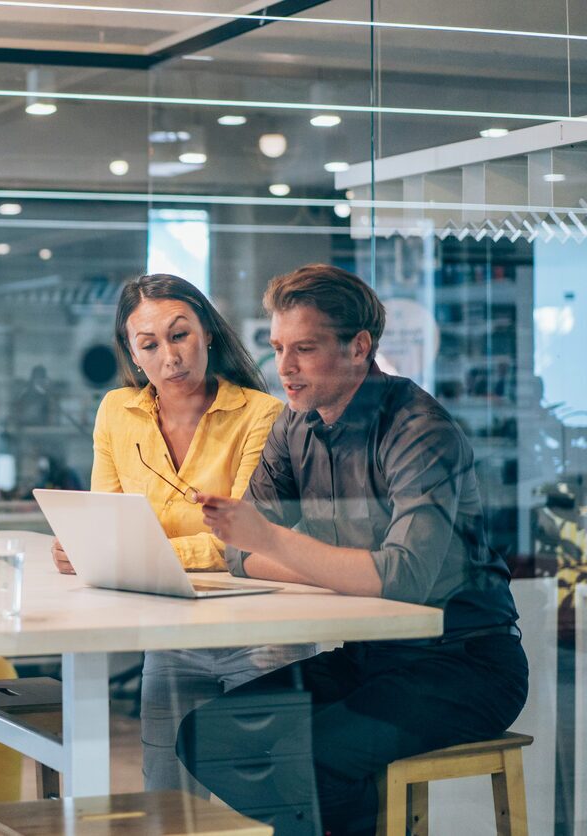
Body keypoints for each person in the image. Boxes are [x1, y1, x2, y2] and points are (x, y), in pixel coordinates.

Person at [180, 264, 528, 836]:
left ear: (359, 347)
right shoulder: (294, 426)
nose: (283, 368)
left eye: (305, 349)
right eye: (277, 347)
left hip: (465, 665)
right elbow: (237, 554)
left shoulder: (421, 430)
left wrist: (274, 541)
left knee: (306, 764)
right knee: (205, 737)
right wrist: (316, 560)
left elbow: (401, 579)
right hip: (371, 656)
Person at [50, 273, 314, 791]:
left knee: (261, 794)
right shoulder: (116, 412)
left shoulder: (262, 414)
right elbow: (106, 525)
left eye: (180, 335)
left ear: (208, 333)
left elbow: (242, 539)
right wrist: (84, 550)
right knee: (166, 796)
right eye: (149, 343)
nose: (170, 356)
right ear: (132, 351)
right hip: (169, 630)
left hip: (258, 630)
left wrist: (128, 554)